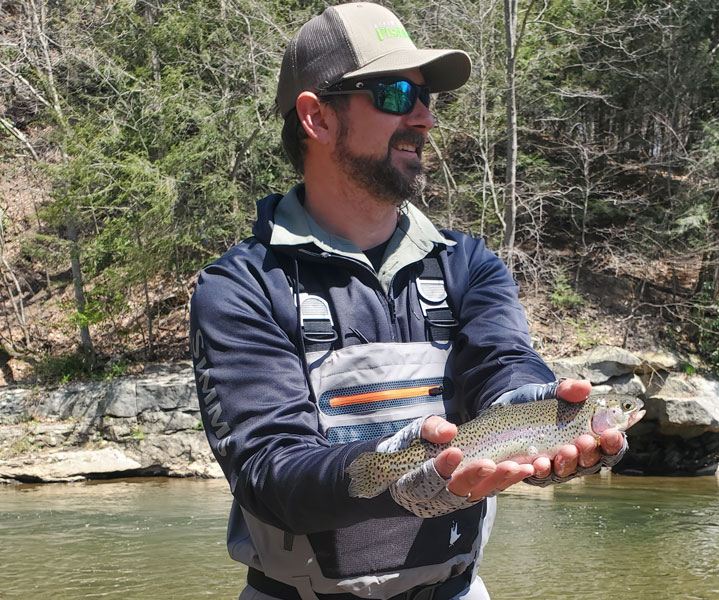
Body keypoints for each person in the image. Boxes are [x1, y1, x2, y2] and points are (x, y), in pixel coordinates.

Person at [189, 3, 626, 599]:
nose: (422, 117)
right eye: (396, 93)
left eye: (426, 97)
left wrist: (542, 409)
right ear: (315, 118)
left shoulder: (469, 264)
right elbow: (268, 472)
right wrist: (391, 472)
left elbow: (501, 363)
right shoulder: (242, 286)